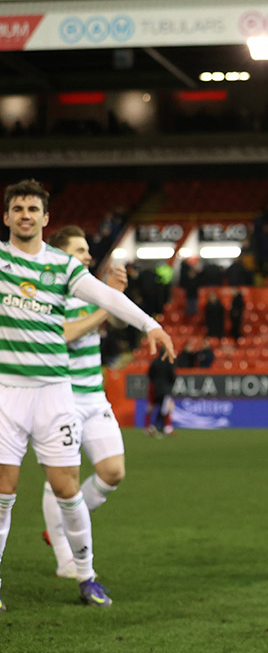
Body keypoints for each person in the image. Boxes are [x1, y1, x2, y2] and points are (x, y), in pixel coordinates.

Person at [0, 179, 175, 611]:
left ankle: (86, 574)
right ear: (6, 216)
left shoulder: (61, 266)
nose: (25, 215)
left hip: (54, 393)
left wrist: (150, 324)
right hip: (7, 391)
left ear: (45, 218)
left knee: (67, 488)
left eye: (33, 209)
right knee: (3, 490)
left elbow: (105, 297)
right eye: (18, 208)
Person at [40, 226, 132, 578]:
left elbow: (122, 321)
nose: (88, 256)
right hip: (61, 399)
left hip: (95, 397)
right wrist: (106, 305)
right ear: (61, 256)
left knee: (113, 473)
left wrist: (116, 296)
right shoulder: (49, 293)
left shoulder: (91, 292)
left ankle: (62, 523)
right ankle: (66, 557)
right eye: (80, 250)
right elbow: (64, 334)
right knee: (62, 480)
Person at [145, 352, 176, 437]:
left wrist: (155, 382)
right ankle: (157, 426)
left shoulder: (155, 361)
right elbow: (172, 375)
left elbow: (149, 374)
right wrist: (170, 384)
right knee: (165, 408)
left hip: (156, 388)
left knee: (154, 407)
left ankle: (152, 426)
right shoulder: (169, 362)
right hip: (166, 389)